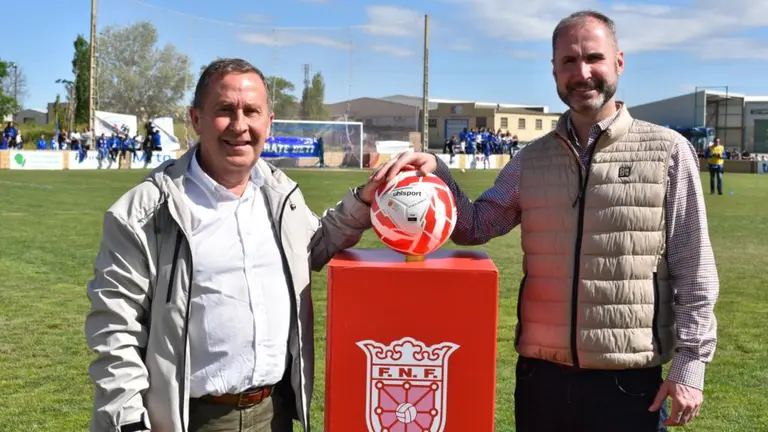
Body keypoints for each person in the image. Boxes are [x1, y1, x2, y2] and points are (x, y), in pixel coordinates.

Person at [373, 10, 719, 432]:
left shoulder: (668, 151)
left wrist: (690, 365)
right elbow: (475, 226)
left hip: (628, 384)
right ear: (554, 70)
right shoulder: (531, 160)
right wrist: (438, 173)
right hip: (541, 381)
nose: (582, 73)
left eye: (594, 58)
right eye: (569, 61)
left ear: (619, 62)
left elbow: (694, 267)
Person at [85, 57, 382, 432]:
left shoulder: (279, 195)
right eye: (225, 110)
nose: (239, 125)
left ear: (268, 123)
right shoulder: (144, 211)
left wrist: (366, 199)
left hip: (274, 415)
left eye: (251, 111)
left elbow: (316, 244)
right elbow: (115, 329)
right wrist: (128, 421)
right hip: (191, 420)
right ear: (196, 119)